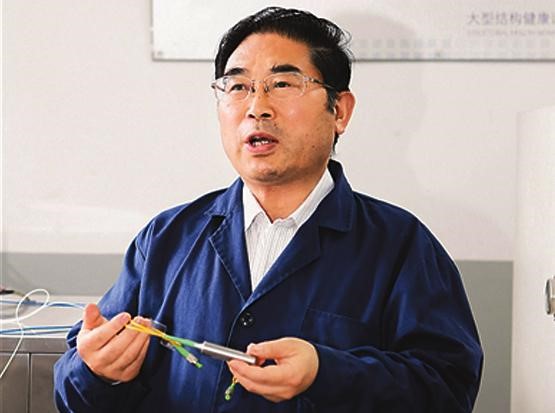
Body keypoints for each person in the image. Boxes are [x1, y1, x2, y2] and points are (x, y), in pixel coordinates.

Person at [54, 7, 483, 412]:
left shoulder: (401, 245)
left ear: (339, 111)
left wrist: (325, 372)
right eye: (238, 87)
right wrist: (96, 372)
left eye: (282, 84)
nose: (256, 107)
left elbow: (448, 389)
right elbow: (74, 390)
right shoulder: (167, 238)